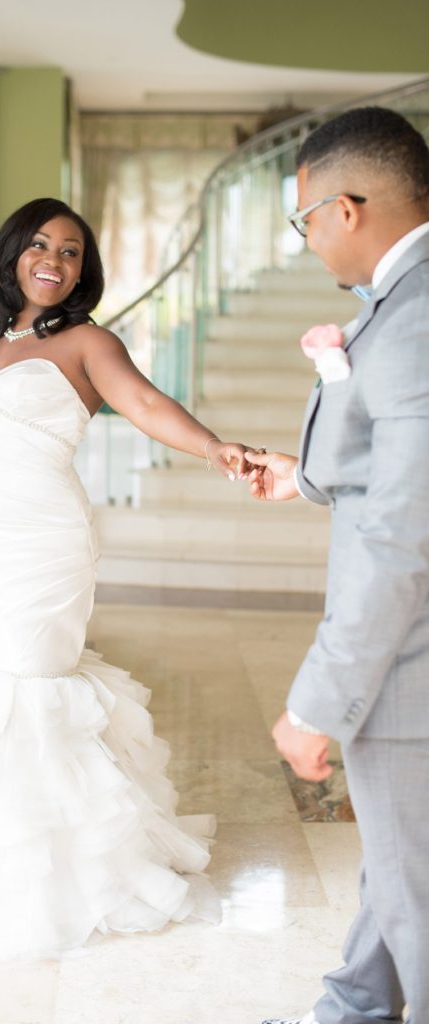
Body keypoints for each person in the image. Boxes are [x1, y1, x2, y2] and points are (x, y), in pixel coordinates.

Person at [0, 197, 249, 961]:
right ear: (11, 255)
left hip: (46, 539)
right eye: (39, 244)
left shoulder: (86, 341)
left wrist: (212, 448)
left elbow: (139, 401)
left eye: (70, 251)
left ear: (82, 271)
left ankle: (69, 875)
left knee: (30, 684)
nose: (53, 260)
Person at [247, 108, 429, 1024]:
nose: (307, 238)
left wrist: (321, 699)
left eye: (304, 219)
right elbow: (397, 476)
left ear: (346, 207)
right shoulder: (402, 303)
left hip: (410, 666)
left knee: (415, 891)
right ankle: (355, 1005)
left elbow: (404, 535)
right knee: (402, 864)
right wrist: (308, 475)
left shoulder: (415, 316)